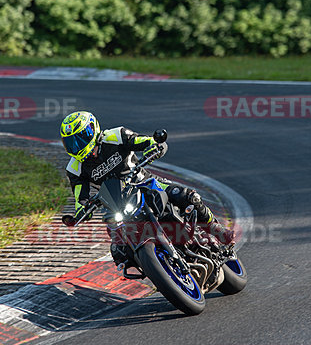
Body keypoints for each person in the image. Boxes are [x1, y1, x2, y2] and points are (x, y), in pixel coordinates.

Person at [59, 110, 234, 267]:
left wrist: (154, 146)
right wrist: (81, 212)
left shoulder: (115, 136)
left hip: (144, 183)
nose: (77, 145)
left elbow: (146, 141)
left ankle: (216, 229)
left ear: (93, 129)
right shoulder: (74, 168)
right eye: (71, 142)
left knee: (187, 196)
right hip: (116, 203)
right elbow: (80, 197)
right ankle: (152, 265)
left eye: (81, 137)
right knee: (118, 249)